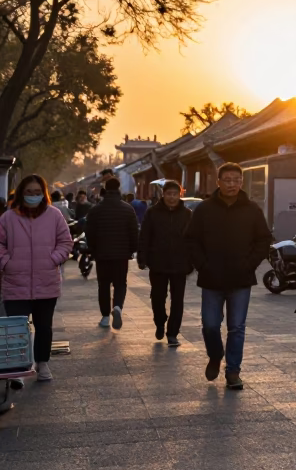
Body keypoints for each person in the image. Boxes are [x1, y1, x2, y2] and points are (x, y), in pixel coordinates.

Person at [185, 162, 271, 389]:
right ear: (219, 183)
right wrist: (202, 265)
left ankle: (233, 371)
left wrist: (249, 264)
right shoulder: (204, 209)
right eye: (228, 180)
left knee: (237, 327)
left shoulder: (252, 210)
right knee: (210, 325)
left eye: (236, 180)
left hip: (240, 279)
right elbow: (191, 239)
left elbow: (264, 240)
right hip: (211, 278)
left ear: (241, 182)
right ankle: (215, 355)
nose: (232, 184)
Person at [0, 175, 73, 381]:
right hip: (15, 283)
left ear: (44, 194)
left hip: (46, 282)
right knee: (16, 327)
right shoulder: (8, 218)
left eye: (37, 192)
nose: (33, 196)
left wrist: (54, 259)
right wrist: (7, 262)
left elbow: (65, 242)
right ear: (21, 193)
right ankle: (18, 368)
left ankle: (43, 364)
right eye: (29, 192)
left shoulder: (54, 215)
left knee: (44, 327)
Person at [138, 180, 194, 347]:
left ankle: (173, 333)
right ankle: (160, 321)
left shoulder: (187, 214)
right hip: (158, 262)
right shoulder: (152, 213)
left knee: (178, 300)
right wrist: (142, 257)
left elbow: (193, 239)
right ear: (163, 195)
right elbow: (145, 236)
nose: (171, 197)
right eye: (168, 194)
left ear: (180, 195)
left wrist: (192, 261)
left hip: (180, 263)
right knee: (157, 296)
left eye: (174, 194)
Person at [86, 177, 139, 330]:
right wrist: (132, 250)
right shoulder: (127, 209)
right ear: (119, 188)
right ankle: (117, 307)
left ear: (105, 188)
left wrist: (93, 250)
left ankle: (104, 317)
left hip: (102, 254)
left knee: (103, 285)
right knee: (120, 284)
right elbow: (133, 232)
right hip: (121, 255)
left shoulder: (96, 209)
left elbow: (90, 233)